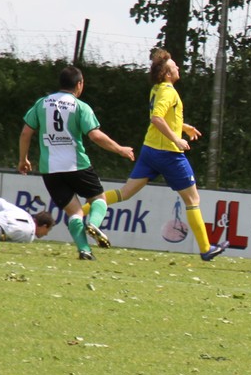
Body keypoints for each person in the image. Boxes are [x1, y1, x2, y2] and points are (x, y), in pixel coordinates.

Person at [84, 48, 226, 261]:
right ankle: (206, 249)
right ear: (168, 74)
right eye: (174, 66)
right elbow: (157, 119)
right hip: (169, 155)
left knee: (125, 193)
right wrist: (177, 139)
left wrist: (183, 126)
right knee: (192, 199)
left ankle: (80, 212)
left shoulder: (156, 89)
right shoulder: (169, 92)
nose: (178, 67)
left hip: (150, 150)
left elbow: (163, 117)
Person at [17, 66, 135, 260]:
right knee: (99, 199)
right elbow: (95, 136)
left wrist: (23, 159)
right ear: (79, 84)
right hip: (77, 165)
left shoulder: (42, 103)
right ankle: (94, 224)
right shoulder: (80, 107)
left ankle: (84, 250)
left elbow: (25, 133)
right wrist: (120, 149)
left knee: (75, 212)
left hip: (50, 170)